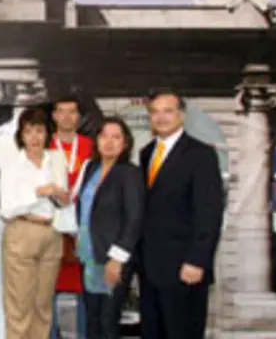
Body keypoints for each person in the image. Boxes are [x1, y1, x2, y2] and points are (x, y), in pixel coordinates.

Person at [139, 90, 224, 339]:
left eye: (168, 111)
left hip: (185, 268)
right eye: (155, 112)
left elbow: (209, 211)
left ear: (182, 116)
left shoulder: (201, 155)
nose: (161, 117)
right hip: (151, 269)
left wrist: (197, 260)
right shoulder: (147, 153)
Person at [0, 108, 68, 339]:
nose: (35, 137)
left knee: (43, 306)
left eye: (39, 130)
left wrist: (59, 193)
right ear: (21, 135)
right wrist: (38, 194)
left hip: (52, 232)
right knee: (19, 307)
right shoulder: (12, 164)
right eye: (29, 131)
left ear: (48, 133)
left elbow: (64, 199)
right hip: (22, 231)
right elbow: (6, 208)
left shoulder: (56, 159)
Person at [72, 117, 144, 339]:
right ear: (97, 140)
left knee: (108, 320)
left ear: (125, 143)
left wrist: (117, 259)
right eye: (104, 136)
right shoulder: (91, 168)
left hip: (113, 258)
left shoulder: (130, 173)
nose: (109, 142)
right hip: (89, 255)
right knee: (92, 318)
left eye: (116, 137)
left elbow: (134, 218)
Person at [49, 96, 92, 339]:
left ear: (79, 116)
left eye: (72, 112)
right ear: (54, 116)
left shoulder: (90, 147)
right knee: (48, 291)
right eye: (61, 111)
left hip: (82, 229)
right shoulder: (44, 147)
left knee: (85, 291)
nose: (66, 117)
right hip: (52, 227)